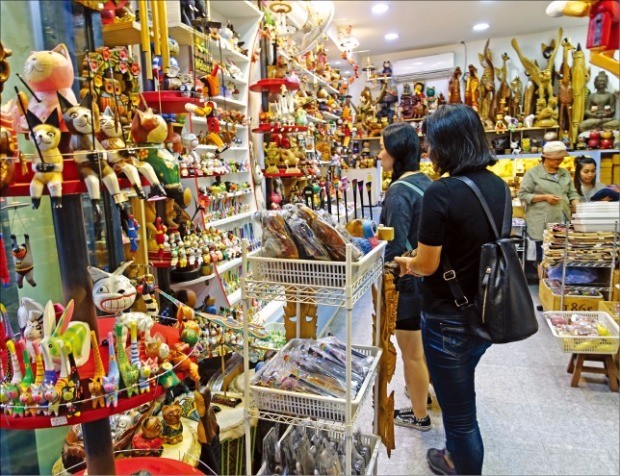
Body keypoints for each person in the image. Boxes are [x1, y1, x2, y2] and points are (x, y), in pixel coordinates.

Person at [394, 104, 506, 475]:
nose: (427, 150)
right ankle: (452, 454)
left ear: (448, 145)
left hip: (447, 318)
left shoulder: (440, 193)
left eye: (431, 142)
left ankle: (461, 465)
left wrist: (407, 262)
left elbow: (427, 265)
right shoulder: (498, 185)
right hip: (488, 309)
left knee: (461, 416)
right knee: (460, 392)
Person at [378, 122, 433, 431]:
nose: (380, 152)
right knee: (422, 347)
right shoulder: (425, 181)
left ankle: (419, 415)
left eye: (384, 146)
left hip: (408, 281)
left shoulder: (398, 192)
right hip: (427, 276)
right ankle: (425, 397)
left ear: (397, 152)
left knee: (411, 352)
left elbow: (396, 245)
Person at [517, 141, 580, 274]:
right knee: (544, 256)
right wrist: (545, 197)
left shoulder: (564, 173)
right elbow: (523, 195)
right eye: (555, 159)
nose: (559, 162)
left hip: (562, 219)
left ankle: (558, 282)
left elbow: (572, 193)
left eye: (561, 159)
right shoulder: (533, 174)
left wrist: (576, 204)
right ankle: (544, 285)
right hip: (542, 221)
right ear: (546, 157)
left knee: (560, 254)